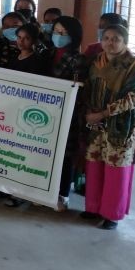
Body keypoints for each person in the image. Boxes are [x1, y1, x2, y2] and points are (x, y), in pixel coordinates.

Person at [82, 24, 135, 230]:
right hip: (95, 121)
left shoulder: (134, 66)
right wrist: (89, 113)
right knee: (94, 162)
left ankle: (112, 214)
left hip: (121, 124)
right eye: (107, 38)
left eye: (116, 39)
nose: (111, 42)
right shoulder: (96, 61)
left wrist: (101, 114)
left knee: (116, 167)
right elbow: (88, 88)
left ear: (125, 41)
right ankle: (93, 207)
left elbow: (133, 98)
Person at [1, 23, 50, 207]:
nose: (21, 41)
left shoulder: (37, 61)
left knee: (23, 154)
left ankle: (21, 193)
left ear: (35, 41)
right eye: (19, 37)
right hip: (12, 110)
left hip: (27, 115)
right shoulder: (15, 57)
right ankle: (8, 188)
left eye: (26, 38)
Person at [50, 15, 88, 211]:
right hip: (46, 110)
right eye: (56, 32)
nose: (59, 36)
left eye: (64, 33)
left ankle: (63, 193)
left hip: (68, 114)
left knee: (65, 154)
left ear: (73, 36)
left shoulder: (77, 59)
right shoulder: (47, 52)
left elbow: (77, 88)